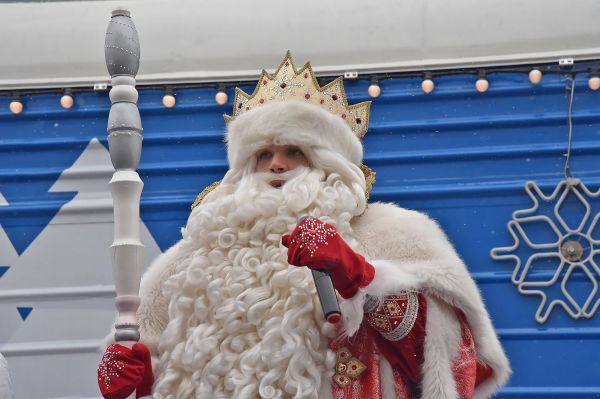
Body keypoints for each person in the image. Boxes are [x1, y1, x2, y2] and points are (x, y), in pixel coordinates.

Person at [98, 55, 510, 399]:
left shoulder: (391, 233)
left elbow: (440, 359)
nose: (276, 165)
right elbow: (172, 363)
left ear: (325, 162)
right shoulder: (197, 258)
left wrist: (361, 277)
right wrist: (141, 375)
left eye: (293, 151)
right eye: (263, 155)